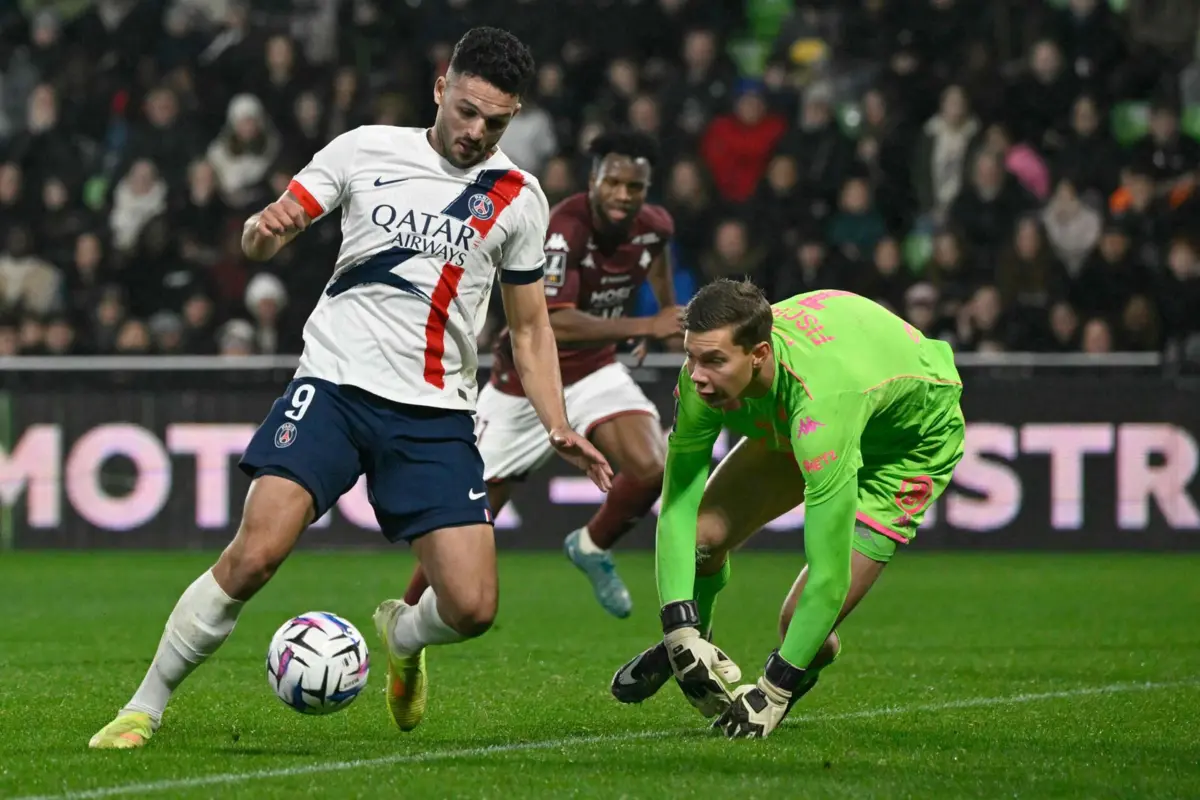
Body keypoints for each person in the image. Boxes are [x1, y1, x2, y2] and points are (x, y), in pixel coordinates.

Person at [88, 26, 612, 749]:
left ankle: (403, 636)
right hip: (334, 387)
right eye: (467, 111)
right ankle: (142, 707)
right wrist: (262, 235)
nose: (476, 132)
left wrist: (556, 423)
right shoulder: (365, 148)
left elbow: (529, 330)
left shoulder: (518, 197)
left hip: (434, 415)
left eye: (496, 122)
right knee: (256, 551)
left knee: (473, 607)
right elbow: (265, 233)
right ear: (441, 88)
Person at [609, 280, 965, 739]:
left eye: (714, 361)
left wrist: (773, 689)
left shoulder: (822, 409)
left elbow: (828, 573)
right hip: (810, 404)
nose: (697, 375)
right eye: (691, 356)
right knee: (702, 537)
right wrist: (679, 627)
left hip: (907, 445)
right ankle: (699, 642)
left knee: (800, 621)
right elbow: (678, 503)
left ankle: (791, 677)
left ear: (757, 354)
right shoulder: (703, 378)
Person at [401, 130, 682, 619]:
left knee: (654, 466)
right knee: (467, 517)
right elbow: (553, 320)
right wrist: (646, 324)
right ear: (594, 179)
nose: (622, 194)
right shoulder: (564, 227)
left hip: (594, 370)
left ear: (646, 189)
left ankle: (592, 547)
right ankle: (403, 615)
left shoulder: (655, 226)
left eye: (633, 187)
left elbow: (656, 257)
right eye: (612, 182)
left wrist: (665, 309)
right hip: (526, 384)